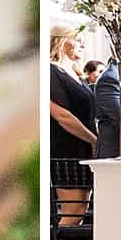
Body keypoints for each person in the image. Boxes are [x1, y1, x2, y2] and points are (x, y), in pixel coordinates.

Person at [49, 27, 99, 157]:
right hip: (67, 150)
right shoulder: (51, 71)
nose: (83, 45)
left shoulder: (77, 74)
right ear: (62, 41)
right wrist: (93, 140)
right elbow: (62, 116)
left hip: (87, 146)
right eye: (78, 40)